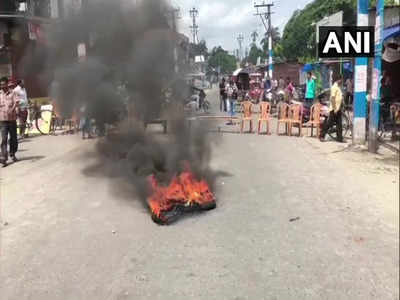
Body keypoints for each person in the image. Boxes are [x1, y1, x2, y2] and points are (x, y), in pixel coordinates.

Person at [0, 77, 19, 166]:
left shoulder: (13, 93)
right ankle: (4, 157)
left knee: (13, 138)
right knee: (4, 139)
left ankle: (12, 153)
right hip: (3, 120)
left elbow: (16, 102)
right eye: (1, 84)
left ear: (7, 84)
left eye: (4, 84)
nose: (2, 86)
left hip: (12, 120)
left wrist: (12, 109)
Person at [320, 74, 344, 143]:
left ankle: (340, 138)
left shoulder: (338, 87)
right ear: (339, 80)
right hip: (334, 109)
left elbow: (339, 97)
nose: (342, 81)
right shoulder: (334, 87)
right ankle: (322, 135)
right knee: (329, 123)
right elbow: (332, 98)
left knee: (339, 124)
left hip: (338, 108)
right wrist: (335, 108)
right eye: (341, 79)